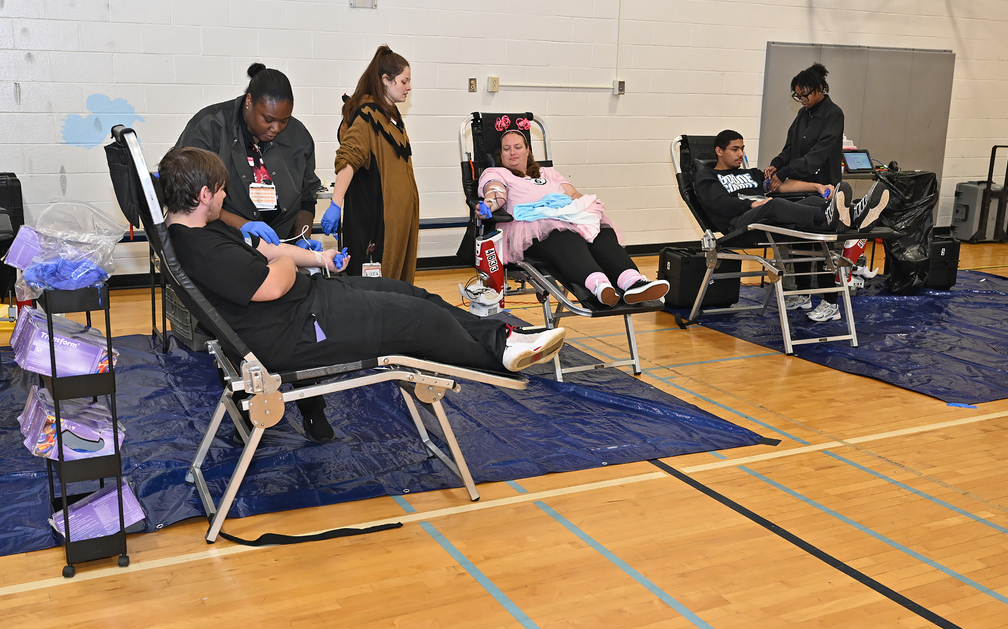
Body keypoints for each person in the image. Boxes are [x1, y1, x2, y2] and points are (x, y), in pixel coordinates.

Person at [158, 147, 565, 442]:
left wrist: (317, 260)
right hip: (297, 332)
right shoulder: (201, 249)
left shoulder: (198, 231)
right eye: (222, 190)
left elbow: (268, 251)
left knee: (409, 293)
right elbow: (274, 279)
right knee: (415, 320)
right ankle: (499, 356)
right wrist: (287, 262)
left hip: (307, 304)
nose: (227, 197)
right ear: (203, 195)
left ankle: (504, 336)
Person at [695, 130, 888, 320]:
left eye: (742, 149)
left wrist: (817, 187)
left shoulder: (751, 174)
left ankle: (856, 215)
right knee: (774, 204)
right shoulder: (707, 177)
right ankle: (832, 217)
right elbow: (718, 203)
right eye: (734, 149)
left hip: (766, 217)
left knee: (812, 201)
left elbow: (780, 185)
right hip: (740, 225)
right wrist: (754, 204)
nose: (740, 154)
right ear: (719, 151)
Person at [475, 123, 669, 307]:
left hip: (566, 217)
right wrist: (489, 204)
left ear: (528, 150)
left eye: (517, 147)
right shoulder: (498, 172)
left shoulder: (548, 172)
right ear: (501, 154)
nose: (513, 152)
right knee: (565, 237)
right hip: (532, 227)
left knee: (601, 233)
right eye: (506, 149)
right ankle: (599, 286)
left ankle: (633, 282)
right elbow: (496, 192)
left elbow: (573, 194)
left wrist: (585, 209)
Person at [175, 63, 322, 252]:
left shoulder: (299, 137)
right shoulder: (209, 127)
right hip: (223, 243)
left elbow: (307, 197)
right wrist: (244, 225)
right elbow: (189, 196)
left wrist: (304, 237)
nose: (276, 128)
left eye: (284, 121)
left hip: (281, 246)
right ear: (249, 101)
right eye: (268, 120)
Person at [325, 45, 419, 283]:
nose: (408, 87)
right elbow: (348, 159)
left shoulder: (392, 117)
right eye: (403, 81)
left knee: (398, 285)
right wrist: (335, 204)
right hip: (377, 220)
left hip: (399, 222)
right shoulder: (367, 115)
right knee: (376, 288)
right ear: (385, 80)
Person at [763, 63, 848, 321]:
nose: (802, 99)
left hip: (825, 186)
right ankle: (802, 293)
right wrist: (777, 163)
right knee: (799, 240)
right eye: (798, 95)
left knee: (822, 246)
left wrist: (785, 172)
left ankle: (830, 301)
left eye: (806, 94)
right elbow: (790, 147)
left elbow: (818, 155)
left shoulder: (834, 114)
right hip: (800, 186)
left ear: (820, 89)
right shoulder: (803, 114)